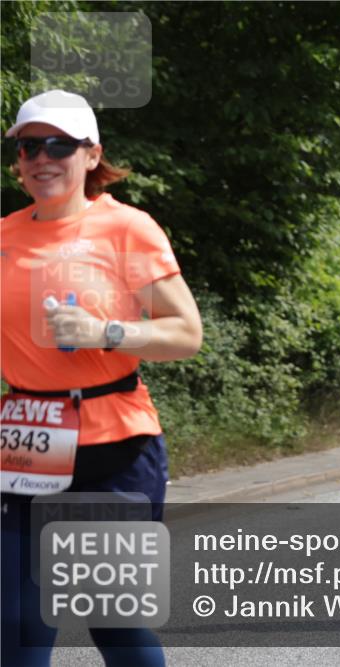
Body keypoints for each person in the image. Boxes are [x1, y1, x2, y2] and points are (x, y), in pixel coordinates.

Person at [2, 90, 203, 666]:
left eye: (59, 146)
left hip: (113, 444)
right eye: (29, 147)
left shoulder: (125, 229)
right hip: (27, 440)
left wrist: (105, 331)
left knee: (112, 619)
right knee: (15, 621)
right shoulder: (5, 236)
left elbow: (186, 333)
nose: (42, 158)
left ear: (92, 155)